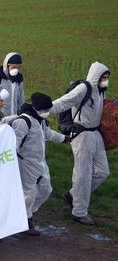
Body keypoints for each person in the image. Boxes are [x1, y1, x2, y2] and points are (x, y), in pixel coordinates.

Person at [49, 62, 111, 225]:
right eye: (104, 77)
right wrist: (42, 110)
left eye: (107, 77)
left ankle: (72, 195)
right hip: (82, 134)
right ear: (96, 76)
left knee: (103, 172)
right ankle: (79, 212)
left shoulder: (101, 91)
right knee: (82, 174)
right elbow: (64, 102)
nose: (106, 80)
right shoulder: (84, 89)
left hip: (95, 134)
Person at [4, 93, 69, 235]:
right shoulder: (23, 122)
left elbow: (47, 134)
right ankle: (25, 221)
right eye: (45, 110)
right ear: (37, 108)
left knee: (46, 189)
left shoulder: (41, 120)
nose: (47, 113)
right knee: (28, 194)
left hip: (40, 162)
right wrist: (12, 158)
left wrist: (64, 139)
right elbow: (16, 140)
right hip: (26, 163)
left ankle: (25, 213)